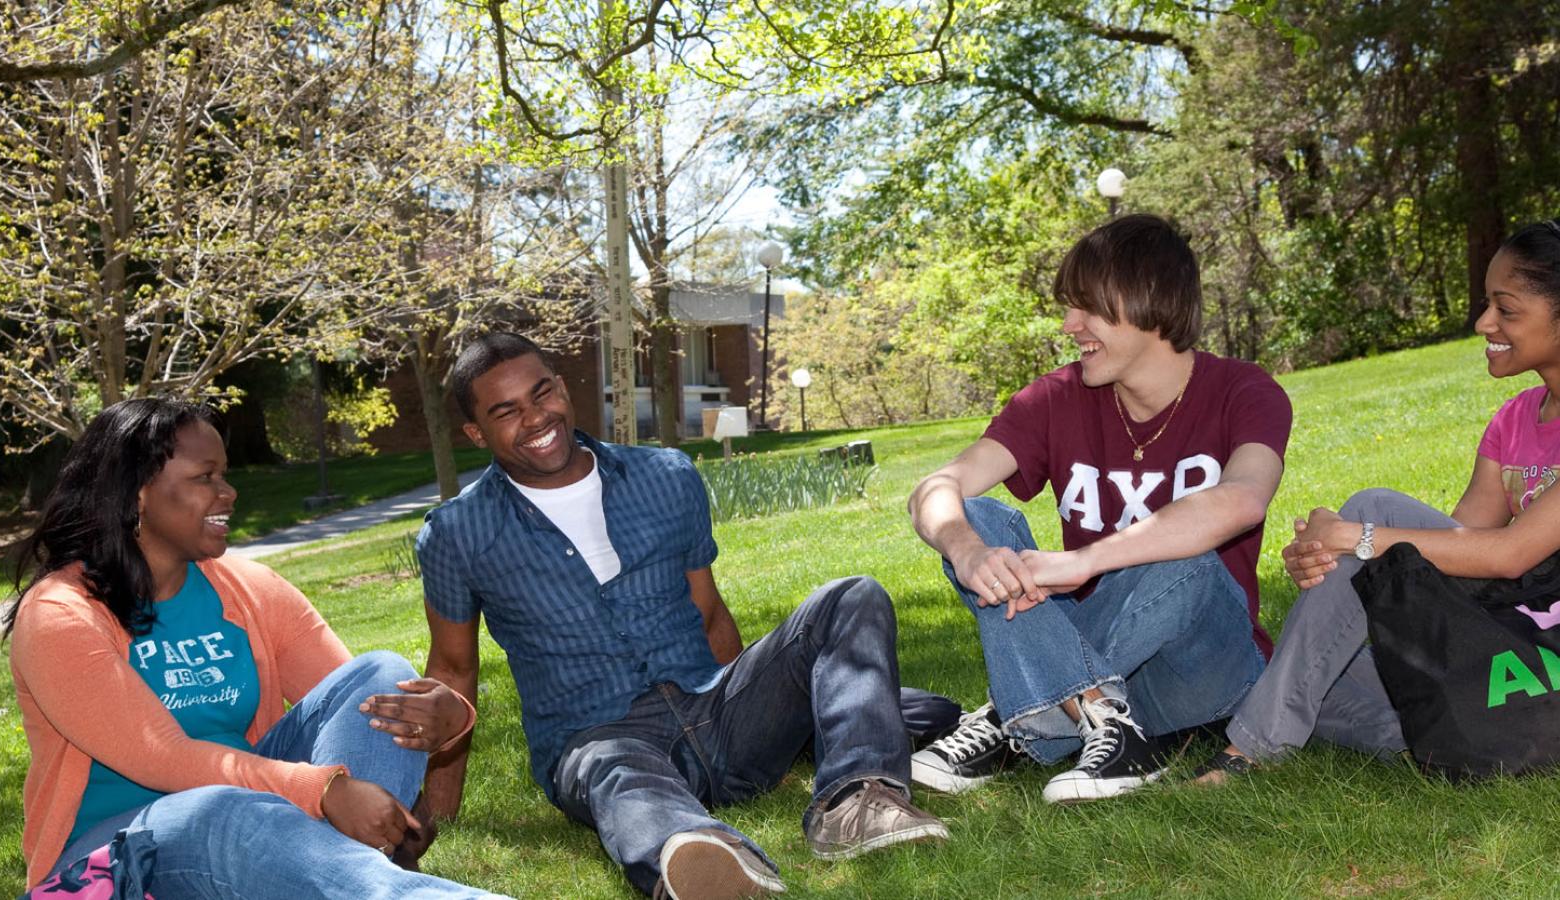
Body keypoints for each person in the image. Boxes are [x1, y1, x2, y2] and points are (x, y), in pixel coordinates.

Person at [412, 333, 948, 900]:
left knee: (851, 595)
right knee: (615, 772)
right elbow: (452, 671)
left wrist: (760, 704)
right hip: (599, 737)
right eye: (507, 412)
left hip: (709, 704)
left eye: (542, 394)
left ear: (564, 390)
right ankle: (696, 854)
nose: (535, 417)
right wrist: (439, 815)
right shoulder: (456, 534)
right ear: (476, 434)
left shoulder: (664, 476)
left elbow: (709, 612)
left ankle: (856, 801)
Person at [5, 398, 502, 898]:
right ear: (137, 493)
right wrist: (324, 790)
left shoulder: (249, 589)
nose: (229, 492)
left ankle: (352, 867)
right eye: (206, 477)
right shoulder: (60, 613)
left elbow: (361, 709)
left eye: (225, 474)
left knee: (381, 674)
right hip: (119, 850)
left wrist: (450, 715)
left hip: (255, 822)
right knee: (218, 809)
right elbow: (166, 759)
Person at [906, 214, 1292, 803]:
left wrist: (1083, 561)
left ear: (1147, 300)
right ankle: (1089, 714)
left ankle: (1024, 710)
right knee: (976, 519)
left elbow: (1242, 499)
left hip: (1205, 665)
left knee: (1184, 549)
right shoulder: (1056, 399)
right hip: (1100, 655)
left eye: (1087, 307)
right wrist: (966, 550)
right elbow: (938, 486)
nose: (1069, 325)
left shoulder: (1245, 391)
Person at [1193, 219, 1560, 781]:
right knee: (1314, 678)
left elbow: (1509, 555)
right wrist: (1328, 554)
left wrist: (1358, 534)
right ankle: (1463, 738)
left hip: (1545, 645)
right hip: (1517, 650)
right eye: (1487, 304)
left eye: (1505, 310)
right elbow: (1443, 564)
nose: (1485, 322)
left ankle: (1252, 751)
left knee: (1374, 509)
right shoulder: (1514, 420)